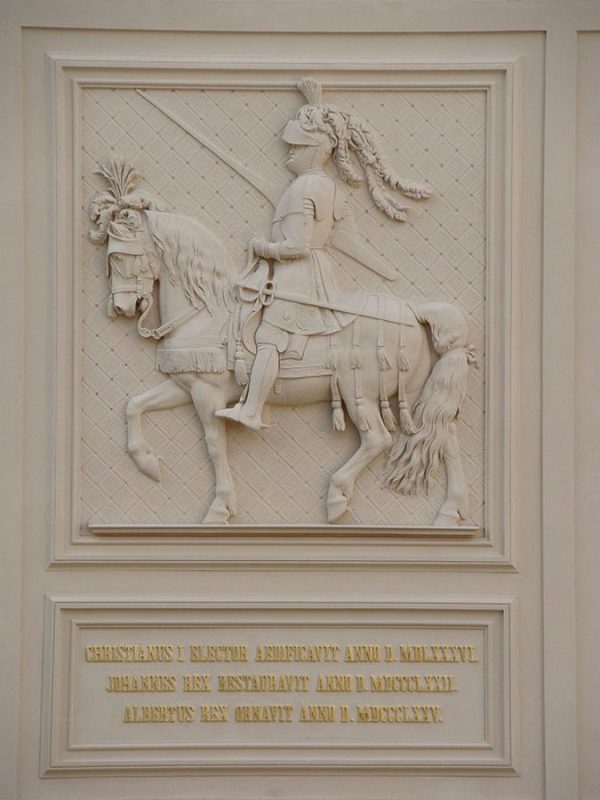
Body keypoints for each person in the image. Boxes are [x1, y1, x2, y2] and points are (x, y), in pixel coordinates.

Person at [216, 78, 429, 430]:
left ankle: (251, 409)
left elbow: (298, 246)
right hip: (314, 270)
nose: (288, 154)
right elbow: (342, 239)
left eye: (295, 148)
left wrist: (262, 247)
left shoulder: (303, 188)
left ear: (313, 150)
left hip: (298, 275)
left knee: (268, 337)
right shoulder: (327, 187)